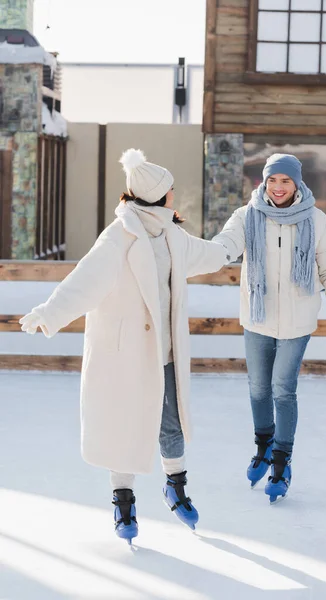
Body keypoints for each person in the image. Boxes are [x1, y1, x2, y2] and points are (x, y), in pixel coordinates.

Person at [20, 149, 229, 543]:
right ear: (157, 195)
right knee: (124, 425)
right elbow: (83, 283)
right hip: (127, 355)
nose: (173, 195)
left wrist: (236, 238)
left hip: (165, 351)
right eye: (170, 190)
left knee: (172, 423)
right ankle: (123, 502)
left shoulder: (171, 235)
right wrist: (48, 313)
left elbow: (210, 253)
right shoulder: (117, 238)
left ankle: (176, 485)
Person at [213, 153, 326, 503]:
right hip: (257, 318)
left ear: (297, 183)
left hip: (297, 320)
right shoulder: (246, 217)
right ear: (263, 182)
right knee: (259, 389)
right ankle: (263, 446)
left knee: (282, 390)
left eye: (285, 181)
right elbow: (225, 245)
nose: (277, 187)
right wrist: (201, 253)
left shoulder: (316, 221)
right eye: (272, 180)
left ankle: (281, 460)